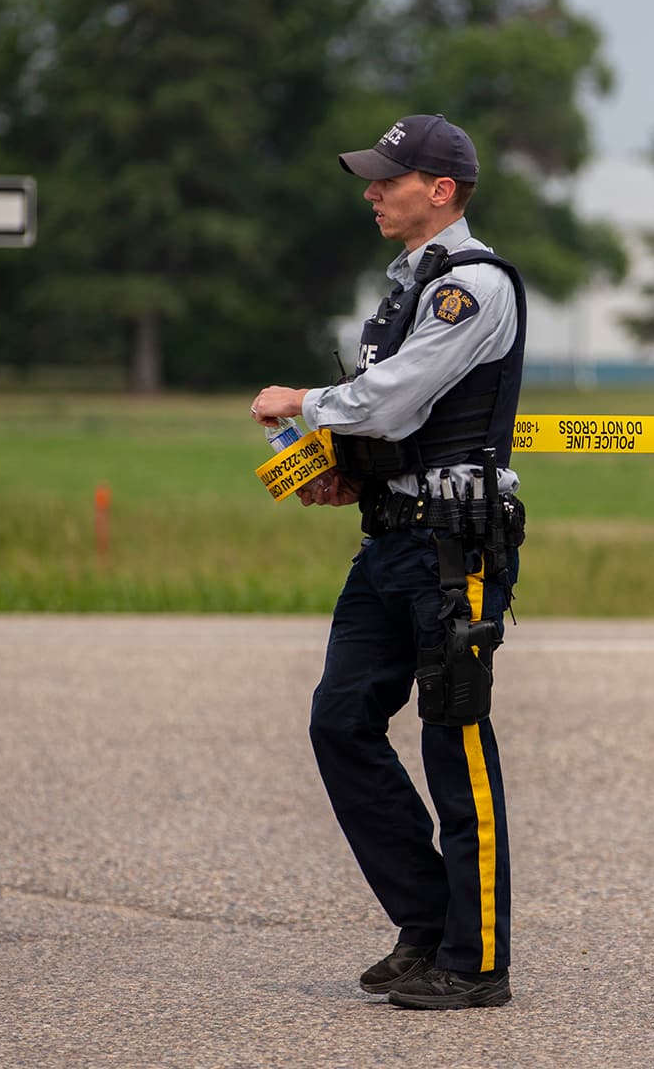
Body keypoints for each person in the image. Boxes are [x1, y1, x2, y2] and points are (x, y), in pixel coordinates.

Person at [251, 113, 527, 1011]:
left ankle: (476, 960)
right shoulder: (405, 288)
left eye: (389, 179)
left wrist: (309, 402)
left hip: (454, 546)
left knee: (456, 743)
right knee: (339, 722)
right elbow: (397, 426)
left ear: (440, 190)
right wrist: (342, 471)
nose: (372, 191)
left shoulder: (471, 286)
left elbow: (396, 397)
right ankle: (426, 922)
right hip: (389, 537)